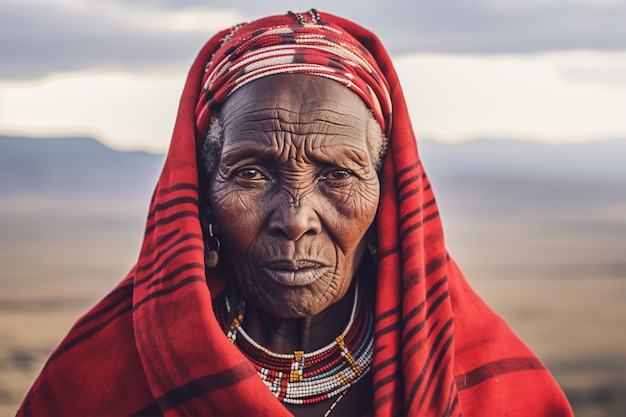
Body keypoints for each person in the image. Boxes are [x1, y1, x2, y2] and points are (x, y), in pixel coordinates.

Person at [17, 9, 573, 417]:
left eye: (338, 174)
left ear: (387, 198)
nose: (297, 217)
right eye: (253, 173)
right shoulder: (101, 382)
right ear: (202, 194)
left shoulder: (482, 379)